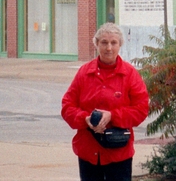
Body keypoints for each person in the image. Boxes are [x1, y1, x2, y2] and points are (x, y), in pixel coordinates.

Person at [62, 23, 149, 181]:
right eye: (104, 42)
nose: (109, 48)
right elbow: (67, 106)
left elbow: (141, 109)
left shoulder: (129, 74)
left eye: (113, 43)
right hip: (88, 151)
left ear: (120, 45)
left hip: (119, 153)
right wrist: (85, 119)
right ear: (96, 44)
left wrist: (113, 116)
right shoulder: (84, 73)